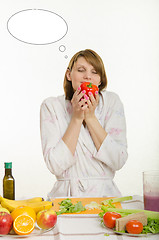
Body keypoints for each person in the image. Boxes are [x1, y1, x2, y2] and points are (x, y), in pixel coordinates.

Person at [40, 49, 128, 198]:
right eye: (81, 70)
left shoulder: (112, 102)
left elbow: (118, 160)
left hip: (105, 197)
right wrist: (76, 118)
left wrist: (91, 117)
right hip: (65, 198)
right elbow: (55, 165)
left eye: (95, 72)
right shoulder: (51, 106)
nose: (88, 76)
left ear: (100, 80)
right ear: (69, 75)